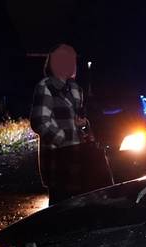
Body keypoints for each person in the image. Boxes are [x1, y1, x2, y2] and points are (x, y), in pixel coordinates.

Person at [30, 44, 90, 205]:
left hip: (78, 157)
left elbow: (80, 121)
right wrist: (62, 140)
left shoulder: (76, 89)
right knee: (60, 205)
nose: (73, 65)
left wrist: (84, 125)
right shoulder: (45, 86)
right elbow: (39, 121)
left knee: (80, 205)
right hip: (57, 159)